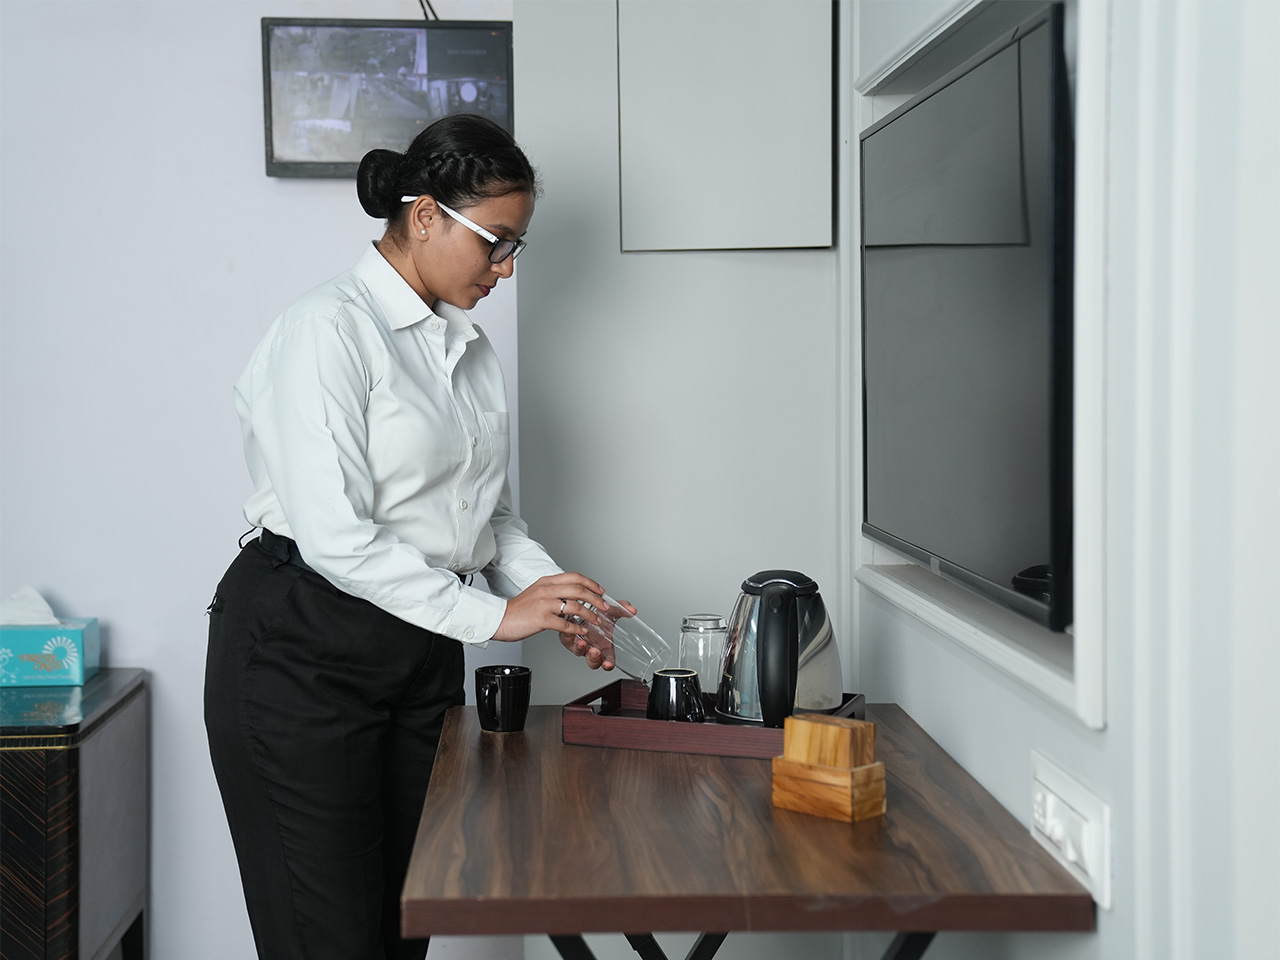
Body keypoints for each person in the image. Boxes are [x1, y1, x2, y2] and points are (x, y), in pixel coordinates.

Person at [204, 114, 628, 960]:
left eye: (517, 246)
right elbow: (337, 538)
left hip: (418, 649)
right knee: (328, 941)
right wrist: (497, 619)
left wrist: (552, 597)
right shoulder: (326, 330)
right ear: (426, 215)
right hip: (302, 649)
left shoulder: (468, 350)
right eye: (495, 242)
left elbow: (487, 518)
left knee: (403, 929)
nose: (506, 268)